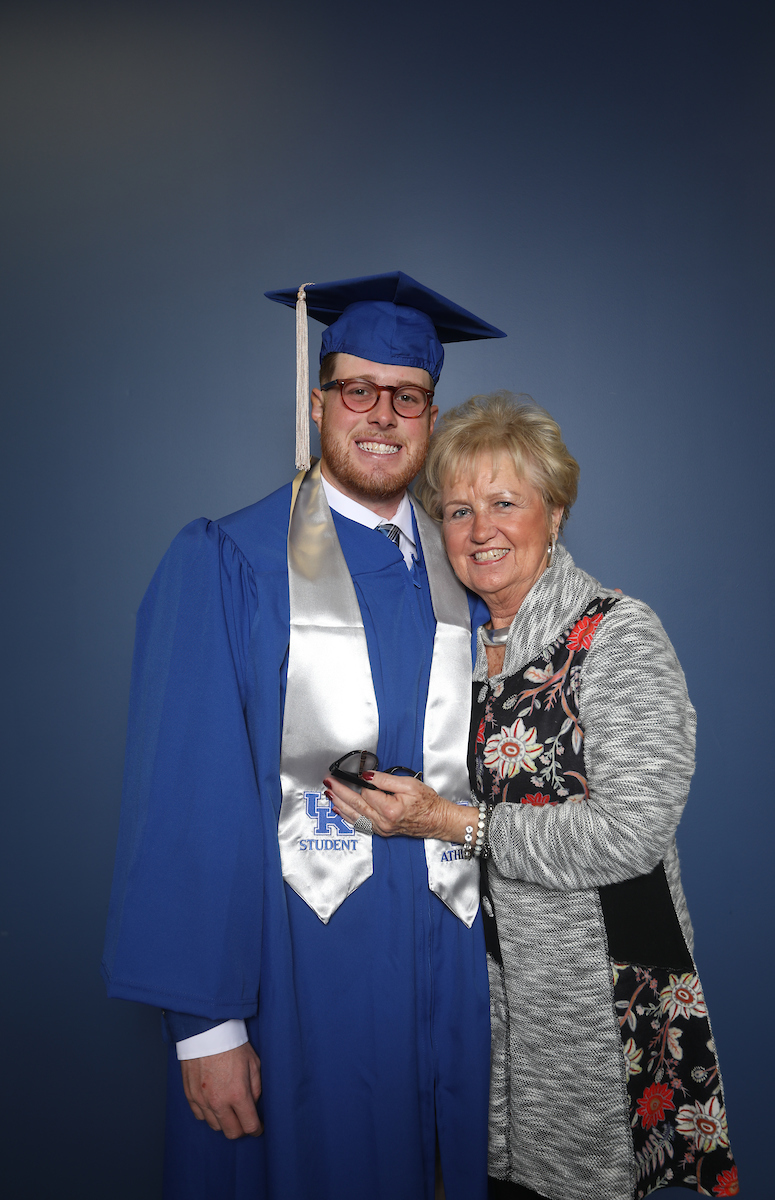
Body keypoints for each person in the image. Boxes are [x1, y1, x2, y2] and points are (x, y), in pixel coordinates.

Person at [102, 273, 507, 1200]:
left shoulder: (468, 578)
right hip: (292, 980)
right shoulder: (230, 562)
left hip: (443, 983)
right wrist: (206, 1027)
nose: (380, 414)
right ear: (317, 401)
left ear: (431, 416)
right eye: (356, 390)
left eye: (405, 396)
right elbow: (186, 799)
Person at [327, 393, 738, 1200]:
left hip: (590, 992)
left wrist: (453, 823)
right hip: (473, 989)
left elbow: (631, 833)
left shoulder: (616, 634)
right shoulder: (449, 650)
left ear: (554, 515)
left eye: (505, 503)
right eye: (457, 510)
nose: (481, 530)